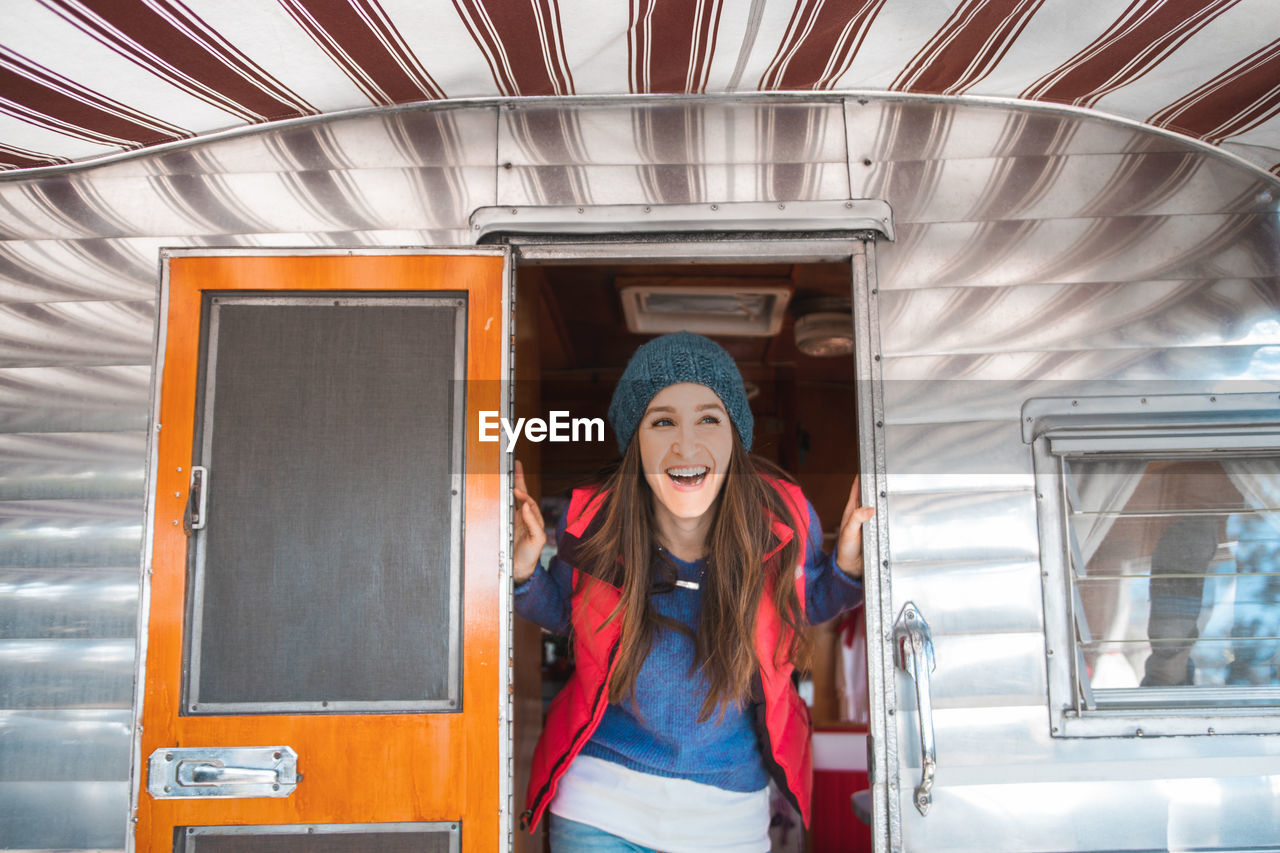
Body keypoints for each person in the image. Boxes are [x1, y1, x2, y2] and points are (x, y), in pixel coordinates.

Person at [512, 332, 873, 852]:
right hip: (600, 805)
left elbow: (800, 606)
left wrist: (844, 574)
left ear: (734, 436)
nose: (686, 445)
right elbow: (577, 621)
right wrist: (525, 577)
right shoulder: (598, 522)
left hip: (727, 815)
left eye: (709, 418)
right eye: (662, 422)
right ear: (635, 443)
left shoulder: (784, 520)